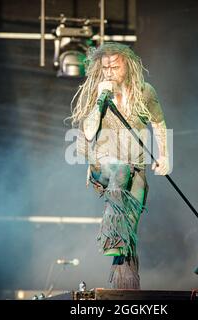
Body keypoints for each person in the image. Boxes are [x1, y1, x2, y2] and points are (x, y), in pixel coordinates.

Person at [69, 42, 170, 289]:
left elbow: (158, 124)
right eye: (105, 68)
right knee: (119, 169)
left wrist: (165, 156)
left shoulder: (145, 92)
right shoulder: (97, 93)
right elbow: (90, 133)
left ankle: (125, 290)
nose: (109, 72)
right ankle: (111, 238)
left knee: (128, 236)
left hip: (136, 168)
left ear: (128, 65)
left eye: (114, 66)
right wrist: (100, 100)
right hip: (103, 167)